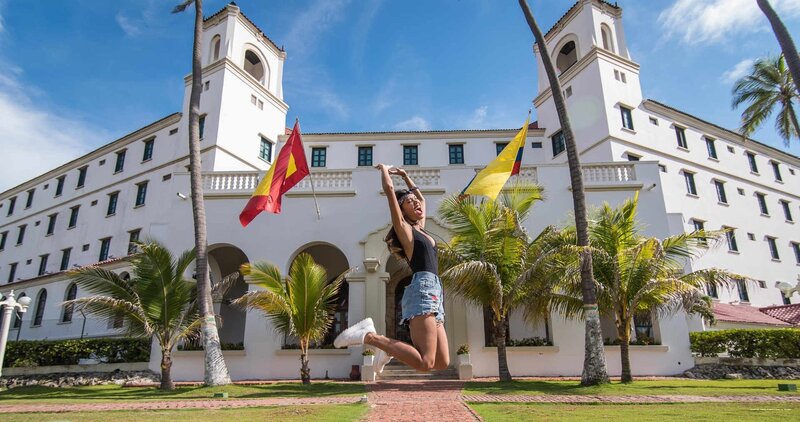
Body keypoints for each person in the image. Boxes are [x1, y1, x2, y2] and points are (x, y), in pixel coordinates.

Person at [334, 164, 450, 373]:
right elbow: (389, 191)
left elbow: (422, 199)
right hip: (422, 292)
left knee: (442, 362)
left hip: (435, 294)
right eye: (409, 202)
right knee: (425, 363)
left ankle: (389, 349)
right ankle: (371, 337)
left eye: (415, 201)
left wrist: (406, 176)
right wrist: (385, 171)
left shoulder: (420, 228)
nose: (416, 203)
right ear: (402, 209)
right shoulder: (405, 231)